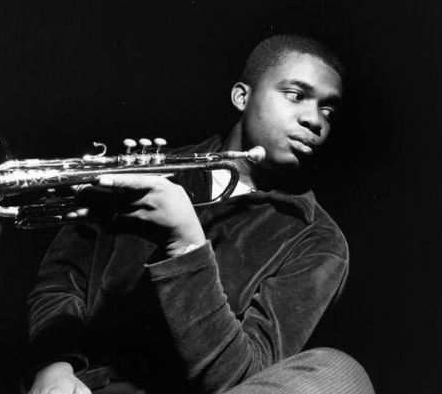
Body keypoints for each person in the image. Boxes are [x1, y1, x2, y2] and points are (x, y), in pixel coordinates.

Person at [26, 35, 375, 394]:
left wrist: (186, 246)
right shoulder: (150, 172)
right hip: (85, 389)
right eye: (295, 95)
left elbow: (247, 379)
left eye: (328, 110)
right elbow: (62, 280)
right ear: (242, 97)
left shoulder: (319, 240)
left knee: (341, 371)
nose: (315, 120)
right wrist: (54, 367)